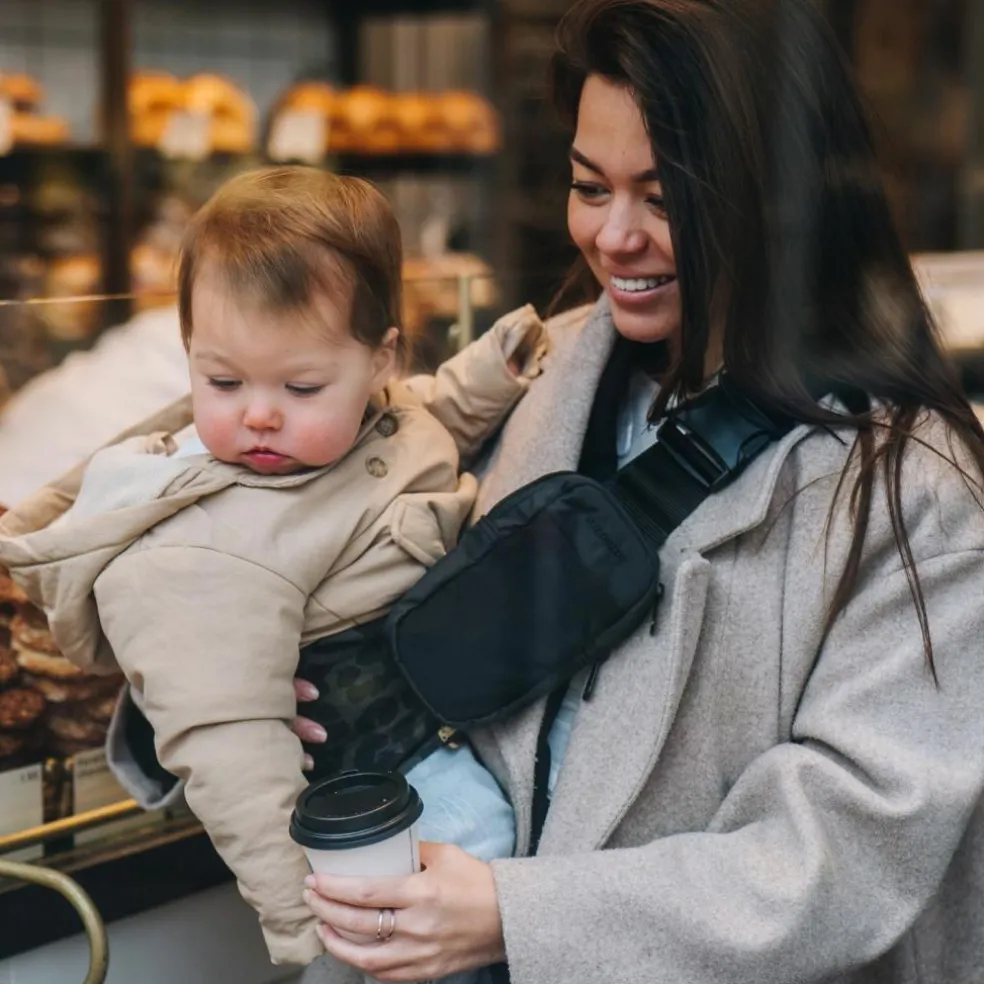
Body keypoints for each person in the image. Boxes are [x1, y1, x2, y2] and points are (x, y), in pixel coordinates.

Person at [293, 1, 984, 982]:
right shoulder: (535, 374)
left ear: (780, 203)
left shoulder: (914, 494)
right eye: (589, 186)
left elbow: (846, 856)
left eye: (664, 200)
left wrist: (518, 917)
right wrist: (309, 680)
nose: (613, 236)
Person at [0, 166, 544, 967]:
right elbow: (231, 750)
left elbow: (415, 425)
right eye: (221, 381)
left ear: (380, 361)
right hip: (380, 787)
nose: (258, 412)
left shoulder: (362, 421)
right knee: (481, 877)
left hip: (454, 724)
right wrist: (297, 915)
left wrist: (494, 372)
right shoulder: (199, 552)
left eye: (300, 385)